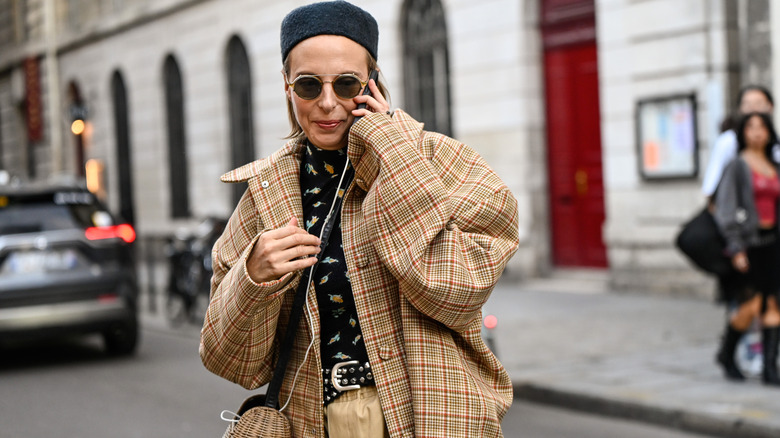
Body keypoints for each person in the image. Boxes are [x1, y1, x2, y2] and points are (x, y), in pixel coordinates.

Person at [199, 2, 519, 437]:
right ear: (287, 87)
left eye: (346, 83)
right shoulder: (266, 194)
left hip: (430, 420)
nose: (328, 103)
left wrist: (392, 151)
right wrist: (253, 276)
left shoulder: (443, 162)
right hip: (313, 424)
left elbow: (457, 291)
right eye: (309, 85)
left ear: (372, 81)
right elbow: (229, 361)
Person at [714, 112, 780, 386]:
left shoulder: (774, 165)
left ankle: (769, 369)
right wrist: (736, 248)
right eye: (750, 127)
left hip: (773, 243)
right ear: (742, 133)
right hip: (749, 244)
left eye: (762, 126)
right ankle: (726, 353)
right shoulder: (737, 166)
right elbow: (726, 209)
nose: (756, 132)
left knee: (774, 304)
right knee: (750, 306)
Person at [702, 85, 775, 198]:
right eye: (748, 104)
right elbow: (711, 182)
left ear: (770, 106)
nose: (753, 109)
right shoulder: (728, 141)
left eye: (758, 103)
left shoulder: (775, 143)